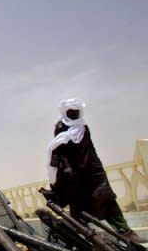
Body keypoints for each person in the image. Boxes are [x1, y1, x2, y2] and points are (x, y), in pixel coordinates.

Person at [45, 98, 146, 243]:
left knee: (107, 200)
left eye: (76, 111)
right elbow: (58, 151)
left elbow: (89, 149)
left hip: (93, 171)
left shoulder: (83, 126)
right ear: (65, 112)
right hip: (75, 176)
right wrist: (65, 169)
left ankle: (125, 231)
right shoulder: (61, 127)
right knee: (78, 206)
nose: (74, 114)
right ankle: (84, 238)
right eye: (71, 111)